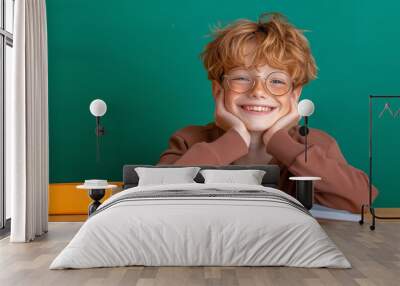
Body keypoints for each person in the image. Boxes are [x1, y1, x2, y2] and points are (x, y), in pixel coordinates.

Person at [158, 12, 378, 213]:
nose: (259, 92)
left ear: (295, 94)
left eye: (276, 81)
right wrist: (234, 141)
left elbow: (360, 199)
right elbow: (155, 197)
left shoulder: (316, 145)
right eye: (242, 78)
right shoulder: (189, 140)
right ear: (218, 89)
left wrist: (281, 144)